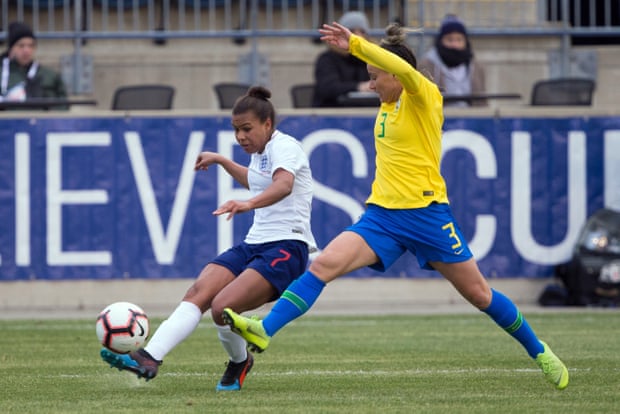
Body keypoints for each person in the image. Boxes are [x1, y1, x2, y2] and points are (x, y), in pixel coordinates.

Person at [222, 23, 569, 391]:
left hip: (428, 216)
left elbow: (404, 69)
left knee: (480, 295)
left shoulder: (424, 96)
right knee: (323, 264)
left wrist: (356, 45)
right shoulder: (385, 107)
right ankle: (264, 329)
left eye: (375, 77)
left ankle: (539, 351)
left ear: (395, 73)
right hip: (382, 216)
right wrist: (361, 52)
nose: (371, 85)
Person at [100, 86, 316, 392]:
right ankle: (148, 358)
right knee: (199, 292)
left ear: (268, 124)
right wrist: (223, 161)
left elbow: (283, 185)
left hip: (286, 247)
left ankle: (240, 362)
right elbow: (256, 180)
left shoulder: (285, 147)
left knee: (222, 308)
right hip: (254, 243)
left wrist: (247, 204)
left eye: (246, 129)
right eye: (235, 130)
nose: (240, 137)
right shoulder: (261, 153)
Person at [417, 15, 486, 107]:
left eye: (459, 39)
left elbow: (482, 102)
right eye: (449, 39)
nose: (455, 44)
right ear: (441, 41)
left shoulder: (476, 67)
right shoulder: (427, 65)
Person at [312, 11, 373, 107]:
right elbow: (328, 88)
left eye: (362, 31)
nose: (358, 36)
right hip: (332, 113)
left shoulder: (370, 59)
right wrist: (359, 87)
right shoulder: (327, 59)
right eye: (352, 31)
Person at [1, 21, 67, 105]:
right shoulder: (3, 72)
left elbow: (63, 106)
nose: (26, 51)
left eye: (31, 46)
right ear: (11, 48)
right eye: (21, 45)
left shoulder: (50, 75)